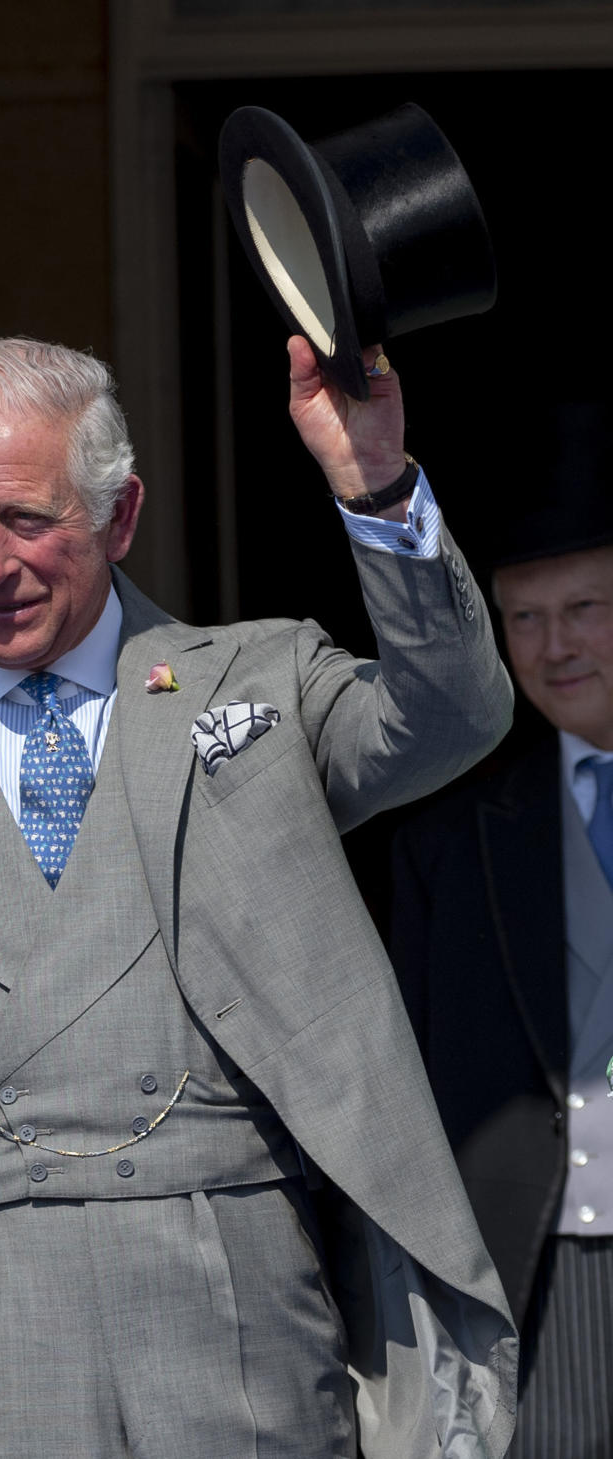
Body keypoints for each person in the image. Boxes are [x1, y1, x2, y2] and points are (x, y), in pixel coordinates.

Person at [0, 334, 517, 1459]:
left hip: (237, 1298)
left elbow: (451, 714)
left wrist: (377, 487)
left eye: (29, 520)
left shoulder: (255, 685)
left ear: (120, 517)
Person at [391, 448, 613, 1457]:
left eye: (585, 609)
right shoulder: (451, 836)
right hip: (540, 1273)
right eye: (525, 617)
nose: (555, 645)